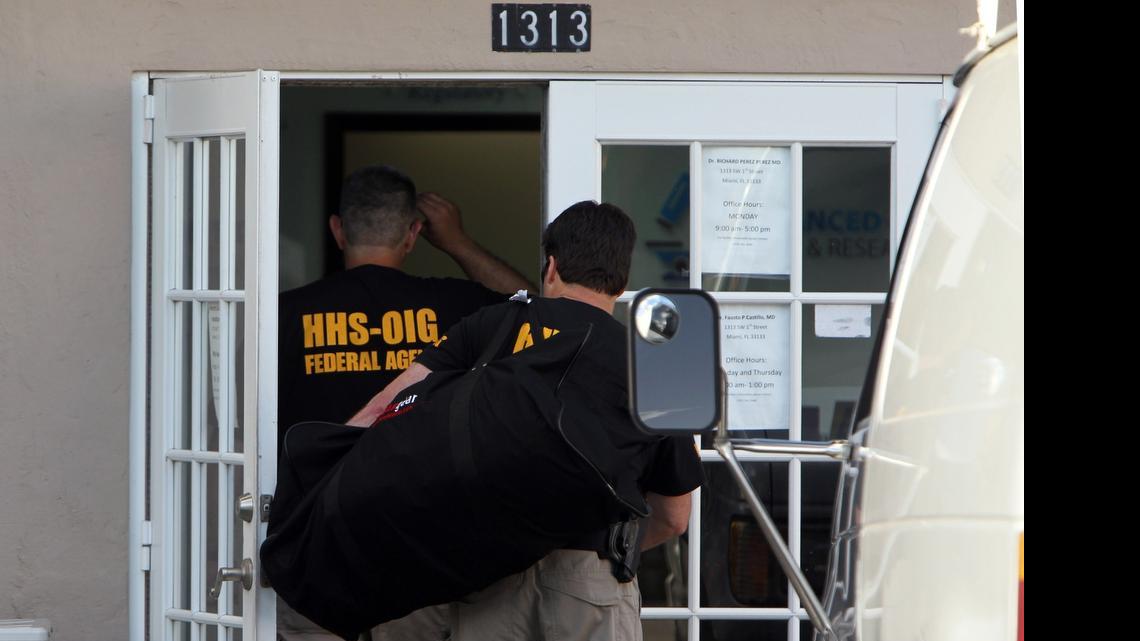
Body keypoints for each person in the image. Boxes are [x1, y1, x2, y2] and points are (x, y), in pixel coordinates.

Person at [348, 201, 703, 641]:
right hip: (590, 582)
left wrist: (316, 485)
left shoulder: (491, 327)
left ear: (551, 267)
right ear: (622, 281)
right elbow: (674, 517)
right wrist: (609, 553)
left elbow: (382, 412)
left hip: (486, 573)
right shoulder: (651, 363)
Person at [277, 165, 531, 641]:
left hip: (315, 547)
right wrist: (458, 242)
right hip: (416, 544)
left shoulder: (282, 313)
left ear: (337, 229)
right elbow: (538, 310)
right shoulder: (452, 305)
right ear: (414, 233)